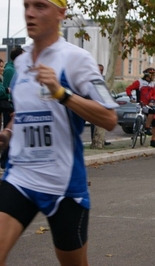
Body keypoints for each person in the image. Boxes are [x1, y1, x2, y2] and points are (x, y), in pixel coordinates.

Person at [0, 0, 118, 265]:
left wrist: (61, 93)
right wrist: (8, 133)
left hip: (62, 185)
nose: (30, 13)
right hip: (20, 176)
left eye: (40, 6)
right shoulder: (20, 64)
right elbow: (24, 112)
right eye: (27, 5)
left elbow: (109, 118)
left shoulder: (76, 59)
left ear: (60, 13)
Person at [0, 47, 24, 170]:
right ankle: (4, 161)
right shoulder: (11, 70)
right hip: (10, 106)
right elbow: (9, 89)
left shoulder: (18, 69)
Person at [126, 67, 155, 147]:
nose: (154, 76)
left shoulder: (152, 84)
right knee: (151, 112)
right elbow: (128, 89)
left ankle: (153, 141)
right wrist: (131, 97)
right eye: (152, 74)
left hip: (149, 104)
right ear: (147, 75)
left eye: (154, 74)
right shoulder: (139, 82)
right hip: (140, 104)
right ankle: (147, 128)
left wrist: (152, 100)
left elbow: (154, 94)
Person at [90, 63, 111, 145]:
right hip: (93, 103)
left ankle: (101, 139)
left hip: (101, 104)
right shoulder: (92, 78)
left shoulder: (104, 79)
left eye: (102, 70)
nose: (100, 71)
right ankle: (94, 139)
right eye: (99, 69)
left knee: (100, 122)